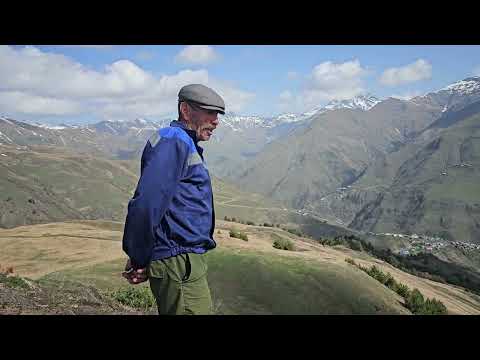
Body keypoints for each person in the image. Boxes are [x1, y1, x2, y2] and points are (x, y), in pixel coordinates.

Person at [121, 84, 225, 315]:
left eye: (217, 114)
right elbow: (146, 204)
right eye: (209, 112)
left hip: (182, 260)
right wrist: (139, 257)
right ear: (185, 110)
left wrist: (143, 256)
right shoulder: (173, 142)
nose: (216, 120)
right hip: (179, 261)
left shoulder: (183, 142)